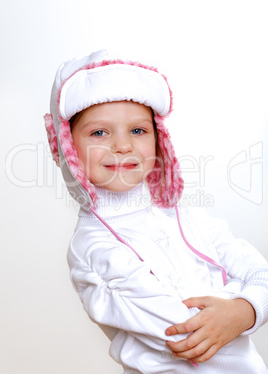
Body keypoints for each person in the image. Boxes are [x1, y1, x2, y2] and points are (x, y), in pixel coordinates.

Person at [44, 49, 268, 373]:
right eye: (99, 132)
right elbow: (186, 333)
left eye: (138, 130)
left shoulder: (185, 216)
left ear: (159, 139)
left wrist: (245, 309)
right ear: (67, 147)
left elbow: (261, 274)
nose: (123, 146)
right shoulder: (94, 248)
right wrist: (240, 299)